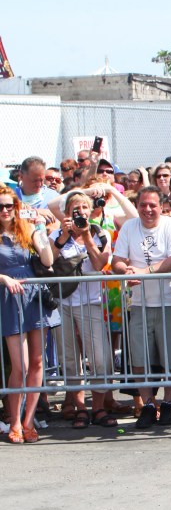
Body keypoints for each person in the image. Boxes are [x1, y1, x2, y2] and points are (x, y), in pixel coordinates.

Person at [111, 187, 171, 429]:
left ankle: (168, 402)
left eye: (152, 205)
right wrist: (127, 272)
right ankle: (147, 404)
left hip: (170, 301)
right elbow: (116, 261)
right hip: (139, 304)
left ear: (161, 205)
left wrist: (145, 272)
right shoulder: (129, 227)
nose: (147, 210)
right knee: (139, 357)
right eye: (143, 205)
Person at [53, 191, 115, 429]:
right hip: (63, 302)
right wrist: (63, 236)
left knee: (101, 357)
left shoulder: (100, 234)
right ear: (67, 213)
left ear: (91, 211)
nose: (80, 213)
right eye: (74, 209)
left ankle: (98, 406)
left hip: (90, 301)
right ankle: (80, 407)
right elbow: (47, 262)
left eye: (84, 208)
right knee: (69, 358)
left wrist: (86, 236)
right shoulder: (57, 234)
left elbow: (100, 263)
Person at [0, 185, 54, 442]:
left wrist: (40, 229)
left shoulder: (26, 229)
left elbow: (47, 260)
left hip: (34, 296)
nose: (5, 210)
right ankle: (14, 421)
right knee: (19, 365)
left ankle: (28, 421)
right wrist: (3, 278)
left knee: (37, 362)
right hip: (9, 298)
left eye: (9, 205)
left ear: (16, 207)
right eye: (0, 206)